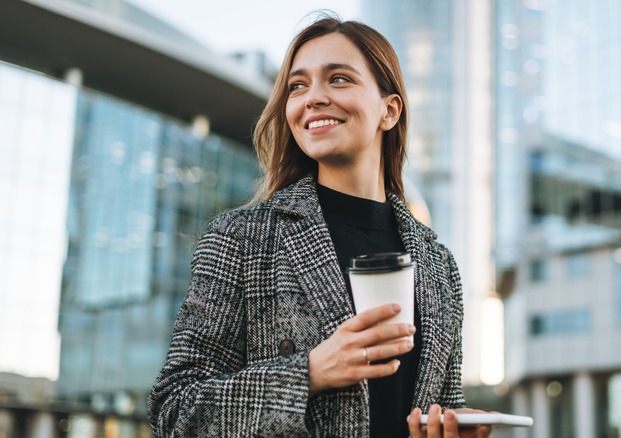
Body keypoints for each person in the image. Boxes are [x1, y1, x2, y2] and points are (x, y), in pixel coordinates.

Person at [148, 13, 491, 437]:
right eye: (298, 85)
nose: (312, 97)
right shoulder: (240, 239)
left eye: (339, 79)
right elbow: (174, 408)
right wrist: (310, 372)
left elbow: (440, 406)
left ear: (389, 110)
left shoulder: (441, 266)